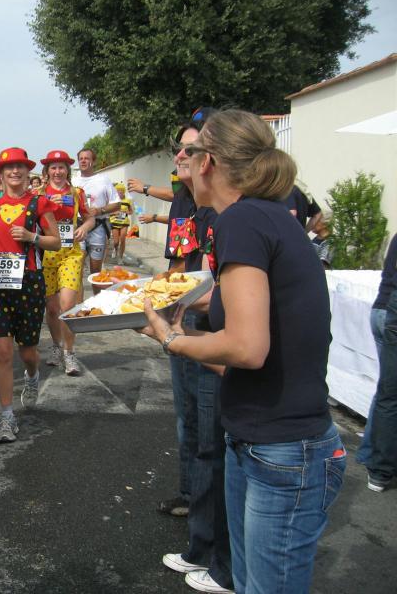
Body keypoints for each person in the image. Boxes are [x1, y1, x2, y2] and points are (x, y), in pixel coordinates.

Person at [141, 109, 345, 594]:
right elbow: (254, 347)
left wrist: (170, 339)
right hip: (262, 440)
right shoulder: (262, 215)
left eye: (189, 152)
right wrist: (183, 319)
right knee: (248, 582)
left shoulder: (243, 220)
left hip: (282, 447)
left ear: (208, 162)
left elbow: (248, 348)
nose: (182, 161)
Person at [157, 122, 233, 594]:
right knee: (191, 425)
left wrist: (177, 310)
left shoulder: (232, 213)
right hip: (183, 322)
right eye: (179, 149)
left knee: (211, 440)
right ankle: (194, 508)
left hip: (208, 330)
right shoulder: (185, 202)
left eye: (191, 149)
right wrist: (159, 299)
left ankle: (209, 550)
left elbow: (224, 286)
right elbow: (178, 264)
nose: (181, 156)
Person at [0, 148, 60, 441]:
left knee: (27, 351)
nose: (15, 171)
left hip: (29, 283)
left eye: (20, 167)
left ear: (28, 173)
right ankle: (6, 418)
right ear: (1, 174)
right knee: (2, 351)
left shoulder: (40, 203)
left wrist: (32, 237)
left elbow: (56, 242)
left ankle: (32, 375)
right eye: (9, 167)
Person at [38, 150, 95, 376]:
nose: (57, 171)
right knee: (52, 309)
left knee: (68, 305)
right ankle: (56, 346)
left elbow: (90, 217)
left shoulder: (77, 192)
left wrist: (84, 227)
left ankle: (69, 352)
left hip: (70, 254)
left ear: (67, 170)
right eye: (53, 167)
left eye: (61, 167)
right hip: (46, 255)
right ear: (47, 171)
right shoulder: (38, 193)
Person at [357, 234, 397, 480]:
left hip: (381, 309)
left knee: (386, 391)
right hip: (390, 313)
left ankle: (370, 453)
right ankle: (379, 464)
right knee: (389, 394)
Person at [72, 149, 122, 294]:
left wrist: (99, 211)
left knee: (96, 273)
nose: (83, 161)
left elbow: (117, 204)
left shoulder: (103, 180)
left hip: (98, 228)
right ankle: (78, 307)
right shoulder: (73, 181)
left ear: (93, 161)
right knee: (76, 272)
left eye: (87, 158)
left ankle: (97, 303)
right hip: (78, 228)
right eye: (81, 158)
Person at [109, 182, 132, 261]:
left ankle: (120, 258)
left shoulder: (128, 201)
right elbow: (108, 212)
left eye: (121, 191)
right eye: (118, 191)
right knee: (116, 242)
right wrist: (114, 213)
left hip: (124, 223)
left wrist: (127, 212)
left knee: (122, 239)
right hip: (114, 222)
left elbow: (131, 211)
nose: (119, 193)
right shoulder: (113, 201)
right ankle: (115, 249)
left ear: (123, 192)